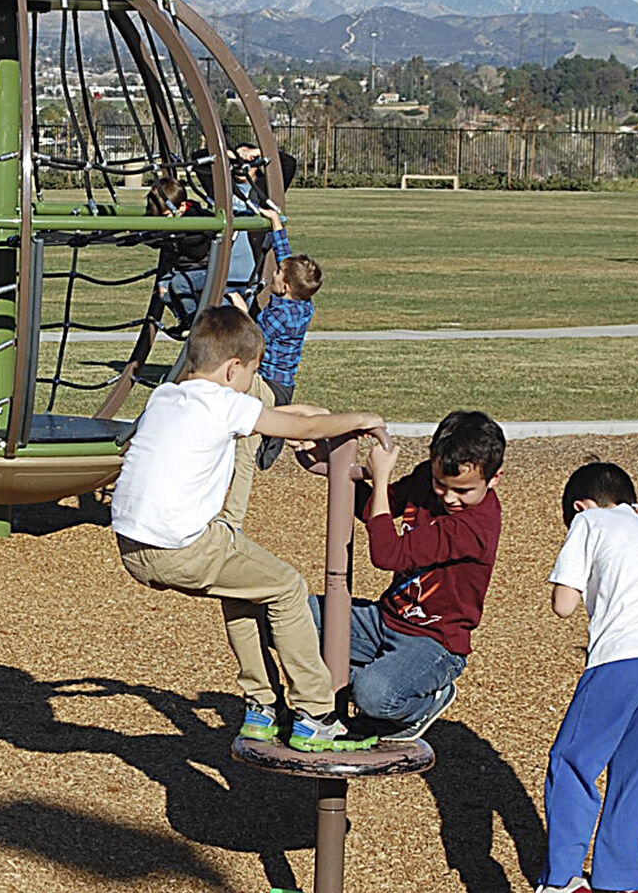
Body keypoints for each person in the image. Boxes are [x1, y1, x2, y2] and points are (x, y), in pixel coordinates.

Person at [110, 303, 388, 752]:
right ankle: (316, 713)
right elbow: (310, 426)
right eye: (250, 376)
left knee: (244, 585)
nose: (248, 388)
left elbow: (264, 419)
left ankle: (261, 708)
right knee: (286, 587)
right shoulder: (225, 404)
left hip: (132, 546)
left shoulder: (167, 395)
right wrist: (362, 420)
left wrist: (290, 415)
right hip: (184, 550)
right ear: (232, 369)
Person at [535, 462, 638, 893]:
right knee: (632, 769)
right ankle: (621, 880)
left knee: (573, 761)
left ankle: (564, 880)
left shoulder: (589, 521)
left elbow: (563, 604)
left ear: (580, 506)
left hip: (624, 655)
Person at [312, 410, 505, 742]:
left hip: (435, 642)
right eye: (440, 484)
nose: (448, 497)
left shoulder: (474, 527)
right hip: (385, 620)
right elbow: (373, 508)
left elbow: (387, 555)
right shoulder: (425, 482)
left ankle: (424, 702)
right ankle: (368, 676)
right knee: (288, 615)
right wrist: (325, 460)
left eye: (463, 491)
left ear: (494, 479)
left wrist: (382, 477)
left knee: (375, 694)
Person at [227, 205, 321, 471]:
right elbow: (286, 258)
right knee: (275, 420)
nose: (274, 274)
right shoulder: (304, 302)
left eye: (278, 274)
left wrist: (241, 310)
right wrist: (276, 223)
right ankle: (275, 441)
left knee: (263, 429)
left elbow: (256, 337)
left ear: (286, 287)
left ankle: (272, 447)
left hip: (269, 382)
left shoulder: (281, 315)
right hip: (285, 381)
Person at [146, 175, 214, 333]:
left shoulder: (197, 220)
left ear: (182, 207)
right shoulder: (171, 223)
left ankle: (197, 323)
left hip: (205, 268)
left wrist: (171, 235)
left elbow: (197, 250)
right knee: (162, 288)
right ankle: (185, 319)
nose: (163, 222)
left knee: (179, 284)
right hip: (183, 269)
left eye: (165, 217)